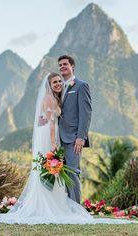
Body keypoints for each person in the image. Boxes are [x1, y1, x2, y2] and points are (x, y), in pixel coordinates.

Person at [0, 72, 138, 225]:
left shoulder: (55, 97)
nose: (58, 84)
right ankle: (46, 205)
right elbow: (50, 122)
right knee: (50, 169)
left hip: (53, 134)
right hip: (50, 137)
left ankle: (52, 204)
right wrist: (53, 144)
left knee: (51, 172)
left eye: (59, 81)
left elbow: (51, 117)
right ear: (49, 85)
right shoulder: (50, 99)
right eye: (54, 82)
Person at [58, 55, 92, 204]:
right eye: (60, 65)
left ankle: (76, 209)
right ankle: (67, 207)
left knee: (73, 173)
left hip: (73, 138)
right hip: (58, 138)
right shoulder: (58, 88)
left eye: (65, 64)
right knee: (62, 174)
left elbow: (86, 113)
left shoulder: (81, 86)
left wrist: (81, 137)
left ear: (72, 66)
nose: (62, 67)